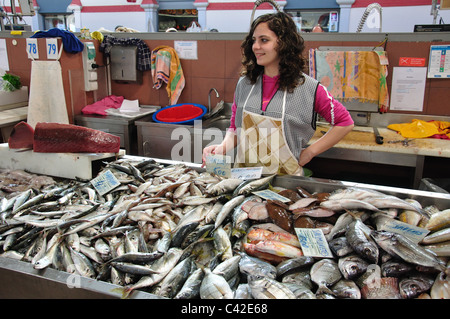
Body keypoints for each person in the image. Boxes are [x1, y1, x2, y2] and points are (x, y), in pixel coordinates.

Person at [202, 12, 354, 176]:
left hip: (284, 186)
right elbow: (235, 127)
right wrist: (222, 148)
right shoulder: (245, 83)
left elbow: (345, 122)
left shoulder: (309, 88)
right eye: (254, 40)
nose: (256, 47)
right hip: (245, 181)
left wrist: (309, 152)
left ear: (284, 43)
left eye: (264, 40)